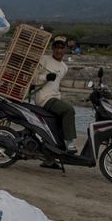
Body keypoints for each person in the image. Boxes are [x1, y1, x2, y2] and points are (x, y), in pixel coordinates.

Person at [29, 35, 77, 165]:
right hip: (44, 99)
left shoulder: (64, 67)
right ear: (52, 48)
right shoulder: (43, 60)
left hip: (54, 98)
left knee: (58, 127)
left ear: (66, 49)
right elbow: (32, 79)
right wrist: (45, 77)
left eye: (62, 47)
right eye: (56, 47)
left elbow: (56, 86)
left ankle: (49, 159)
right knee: (68, 110)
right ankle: (70, 143)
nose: (59, 50)